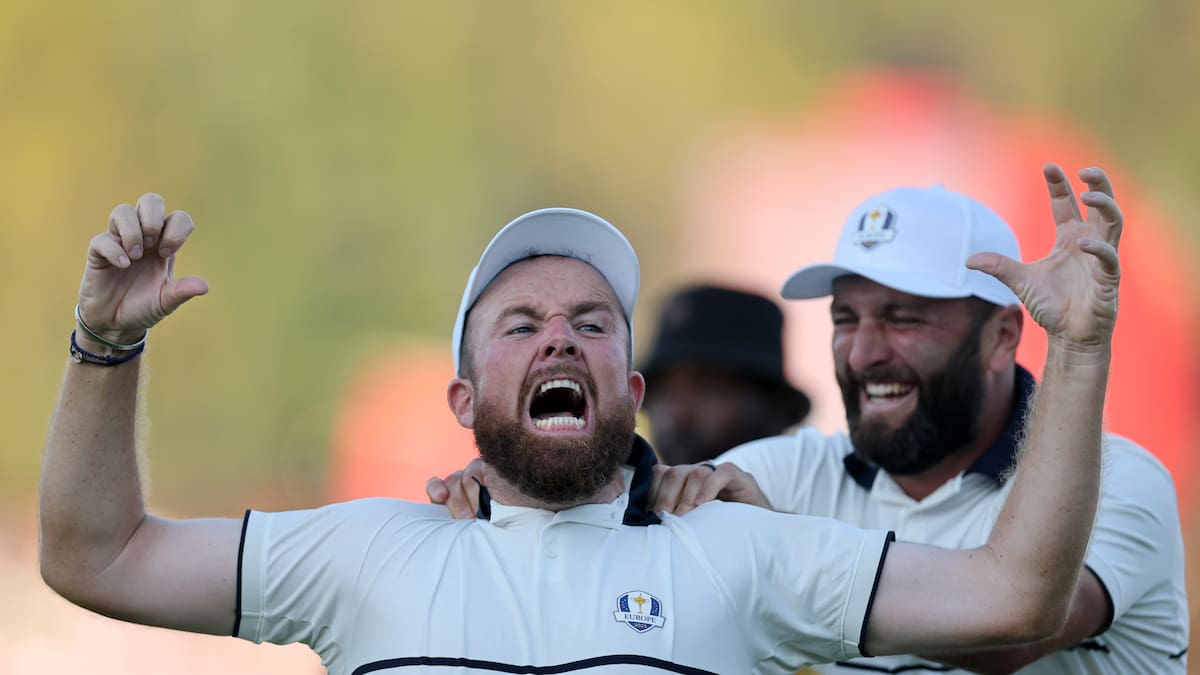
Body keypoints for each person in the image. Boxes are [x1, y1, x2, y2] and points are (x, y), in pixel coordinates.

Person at [41, 165, 1120, 673]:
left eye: (593, 322)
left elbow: (1017, 596)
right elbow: (96, 556)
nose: (559, 337)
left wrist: (1075, 352)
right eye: (520, 324)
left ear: (631, 390)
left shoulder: (743, 555)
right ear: (461, 402)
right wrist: (106, 345)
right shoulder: (366, 552)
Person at [643, 175, 1189, 673]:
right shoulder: (785, 474)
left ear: (1001, 337)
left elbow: (1009, 631)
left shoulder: (1123, 482)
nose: (862, 354)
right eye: (845, 319)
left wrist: (774, 554)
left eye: (902, 319)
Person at [639, 284, 811, 465]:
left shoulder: (817, 490)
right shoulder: (629, 491)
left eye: (709, 390)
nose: (680, 415)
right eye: (666, 394)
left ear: (773, 407)